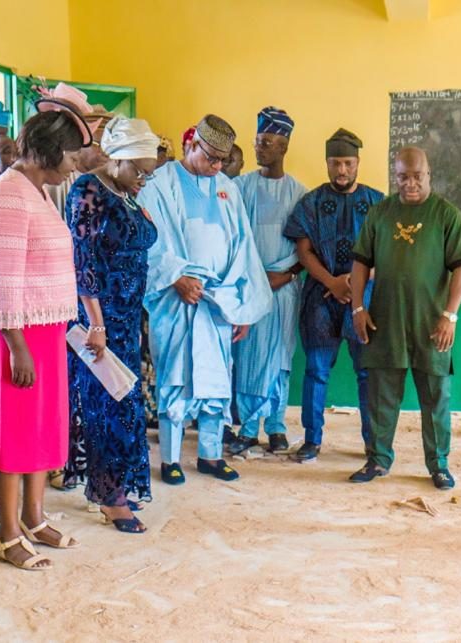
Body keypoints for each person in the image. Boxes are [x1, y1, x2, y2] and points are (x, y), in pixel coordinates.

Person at [0, 103, 92, 570]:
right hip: (13, 332)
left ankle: (35, 518)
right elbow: (0, 279)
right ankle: (7, 536)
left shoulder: (36, 191)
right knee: (14, 432)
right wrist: (16, 345)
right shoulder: (8, 195)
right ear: (50, 150)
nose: (74, 166)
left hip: (42, 327)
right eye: (72, 157)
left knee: (40, 426)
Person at [136, 114, 272, 485]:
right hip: (176, 300)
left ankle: (211, 455)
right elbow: (147, 241)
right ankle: (170, 459)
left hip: (219, 302)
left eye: (221, 161)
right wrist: (176, 276)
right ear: (191, 144)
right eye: (210, 158)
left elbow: (243, 247)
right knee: (175, 378)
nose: (216, 167)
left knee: (216, 379)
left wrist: (241, 305)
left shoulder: (227, 189)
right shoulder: (160, 184)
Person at [349, 147, 461, 490]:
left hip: (431, 325)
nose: (409, 183)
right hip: (385, 321)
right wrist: (358, 308)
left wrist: (450, 315)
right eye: (402, 176)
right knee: (381, 396)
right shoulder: (380, 213)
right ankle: (378, 459)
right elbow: (360, 263)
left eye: (417, 176)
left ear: (429, 174)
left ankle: (439, 465)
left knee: (436, 398)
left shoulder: (446, 215)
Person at [65, 116, 160, 534]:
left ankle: (114, 485)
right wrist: (97, 325)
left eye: (148, 174)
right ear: (117, 159)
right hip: (100, 320)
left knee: (125, 403)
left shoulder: (125, 194)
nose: (143, 180)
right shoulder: (89, 191)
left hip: (127, 317)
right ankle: (109, 497)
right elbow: (83, 261)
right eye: (139, 171)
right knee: (106, 406)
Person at [283, 128, 383, 463]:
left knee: (367, 372)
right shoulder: (310, 202)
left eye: (348, 163)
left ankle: (373, 443)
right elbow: (304, 250)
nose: (342, 170)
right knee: (316, 369)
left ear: (358, 163)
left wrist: (354, 283)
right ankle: (312, 440)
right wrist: (332, 281)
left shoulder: (378, 203)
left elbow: (386, 252)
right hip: (320, 298)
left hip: (364, 300)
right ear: (327, 163)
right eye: (336, 163)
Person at [226, 107, 306, 456]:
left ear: (284, 146)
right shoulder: (239, 188)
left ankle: (276, 426)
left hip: (285, 289)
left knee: (279, 358)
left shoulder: (300, 194)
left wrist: (286, 275)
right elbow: (232, 239)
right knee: (248, 357)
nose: (260, 148)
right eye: (258, 141)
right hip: (248, 287)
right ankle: (247, 428)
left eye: (268, 142)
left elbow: (307, 248)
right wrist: (255, 279)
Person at [37, 84, 107, 213]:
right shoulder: (55, 178)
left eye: (109, 146)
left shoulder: (106, 181)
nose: (106, 153)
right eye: (99, 145)